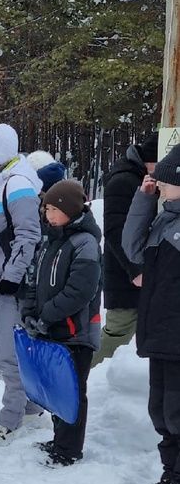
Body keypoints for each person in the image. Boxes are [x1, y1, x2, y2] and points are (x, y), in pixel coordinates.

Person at [19, 180, 102, 467]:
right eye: (46, 209)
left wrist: (48, 314)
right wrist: (29, 311)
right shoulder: (50, 241)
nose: (48, 215)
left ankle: (69, 448)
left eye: (54, 209)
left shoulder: (85, 243)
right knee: (56, 388)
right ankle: (59, 439)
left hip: (75, 332)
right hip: (51, 327)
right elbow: (33, 279)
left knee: (73, 391)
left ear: (70, 210)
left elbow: (80, 290)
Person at [0, 123, 43, 444]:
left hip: (9, 286)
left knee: (9, 355)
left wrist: (11, 277)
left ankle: (9, 419)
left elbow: (28, 234)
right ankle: (31, 408)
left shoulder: (17, 184)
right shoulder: (3, 183)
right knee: (4, 350)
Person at [122, 143, 180, 484]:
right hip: (158, 330)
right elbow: (131, 249)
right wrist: (143, 200)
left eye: (164, 180)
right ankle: (170, 470)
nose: (156, 183)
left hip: (175, 334)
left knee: (175, 409)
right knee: (160, 409)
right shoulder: (164, 219)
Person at [93, 132, 159, 367]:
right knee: (117, 334)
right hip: (125, 275)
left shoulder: (140, 176)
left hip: (141, 271)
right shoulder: (124, 181)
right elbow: (115, 231)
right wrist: (135, 270)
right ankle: (75, 373)